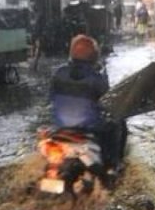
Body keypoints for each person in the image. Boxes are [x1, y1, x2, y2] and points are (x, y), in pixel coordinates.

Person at [50, 34, 126, 172]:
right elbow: (107, 103)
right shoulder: (98, 77)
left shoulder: (58, 73)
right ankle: (114, 165)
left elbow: (52, 98)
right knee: (118, 123)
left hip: (61, 128)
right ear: (94, 55)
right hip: (90, 129)